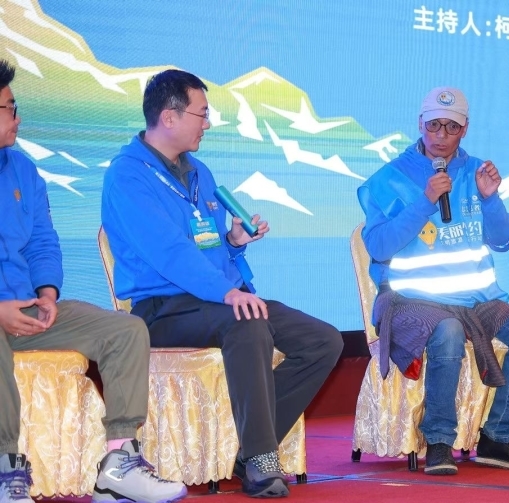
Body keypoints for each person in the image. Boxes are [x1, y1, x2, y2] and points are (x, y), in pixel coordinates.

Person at [101, 69, 343, 498]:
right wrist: (227, 292)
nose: (208, 124)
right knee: (246, 321)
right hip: (163, 308)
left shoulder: (199, 173)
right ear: (170, 117)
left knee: (323, 341)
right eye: (202, 114)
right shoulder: (128, 176)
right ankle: (262, 458)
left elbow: (206, 246)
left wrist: (233, 243)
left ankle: (248, 447)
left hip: (215, 299)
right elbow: (170, 254)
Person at [0, 60, 187, 503]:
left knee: (126, 330)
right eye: (10, 108)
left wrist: (47, 293)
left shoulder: (23, 171)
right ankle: (6, 469)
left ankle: (118, 465)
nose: (18, 117)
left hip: (25, 307)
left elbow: (42, 242)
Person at [357, 87, 509, 475]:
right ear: (420, 124)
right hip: (411, 298)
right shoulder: (389, 178)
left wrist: (491, 199)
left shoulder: (478, 172)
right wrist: (424, 201)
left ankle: (498, 437)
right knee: (446, 332)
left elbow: (502, 240)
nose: (441, 135)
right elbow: (378, 245)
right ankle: (439, 441)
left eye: (452, 126)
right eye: (434, 125)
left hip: (476, 299)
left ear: (465, 128)